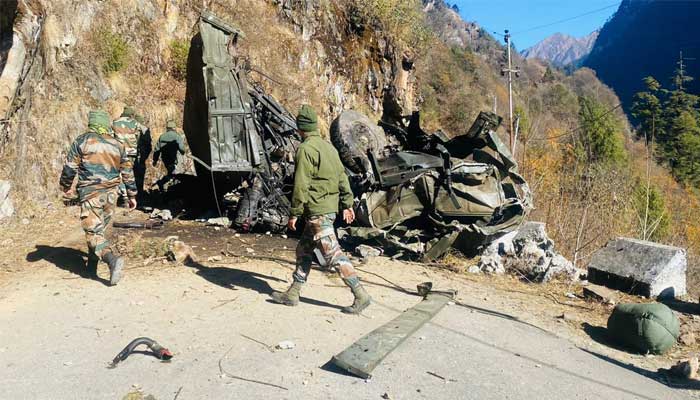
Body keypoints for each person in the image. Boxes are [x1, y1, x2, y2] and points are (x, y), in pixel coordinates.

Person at [270, 105, 371, 314]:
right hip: (327, 210)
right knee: (304, 250)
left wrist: (294, 213)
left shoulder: (306, 150)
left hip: (317, 212)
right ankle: (293, 292)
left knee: (333, 254)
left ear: (300, 129)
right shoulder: (329, 148)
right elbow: (342, 178)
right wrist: (347, 204)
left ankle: (361, 294)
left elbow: (301, 185)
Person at [59, 110, 137, 285]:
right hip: (111, 195)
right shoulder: (117, 144)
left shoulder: (83, 140)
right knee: (98, 231)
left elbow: (70, 167)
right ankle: (91, 267)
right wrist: (131, 195)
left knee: (93, 233)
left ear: (91, 123)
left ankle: (111, 259)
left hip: (91, 193)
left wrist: (66, 187)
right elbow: (127, 172)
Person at [112, 106, 140, 204]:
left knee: (119, 174)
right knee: (129, 173)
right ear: (131, 114)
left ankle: (122, 195)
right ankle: (129, 196)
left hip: (118, 152)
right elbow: (138, 136)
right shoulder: (134, 123)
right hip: (131, 152)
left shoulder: (115, 122)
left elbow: (111, 137)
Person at [152, 119, 186, 191]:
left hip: (165, 159)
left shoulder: (162, 136)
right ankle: (162, 184)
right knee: (174, 174)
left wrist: (155, 160)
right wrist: (183, 153)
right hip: (173, 159)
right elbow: (182, 148)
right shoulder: (177, 136)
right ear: (174, 128)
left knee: (171, 173)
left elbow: (157, 149)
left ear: (167, 128)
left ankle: (165, 185)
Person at [133, 114, 152, 200]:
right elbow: (149, 146)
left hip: (127, 156)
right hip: (140, 156)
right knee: (140, 175)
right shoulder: (144, 129)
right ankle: (139, 195)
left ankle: (128, 195)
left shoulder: (129, 127)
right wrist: (144, 157)